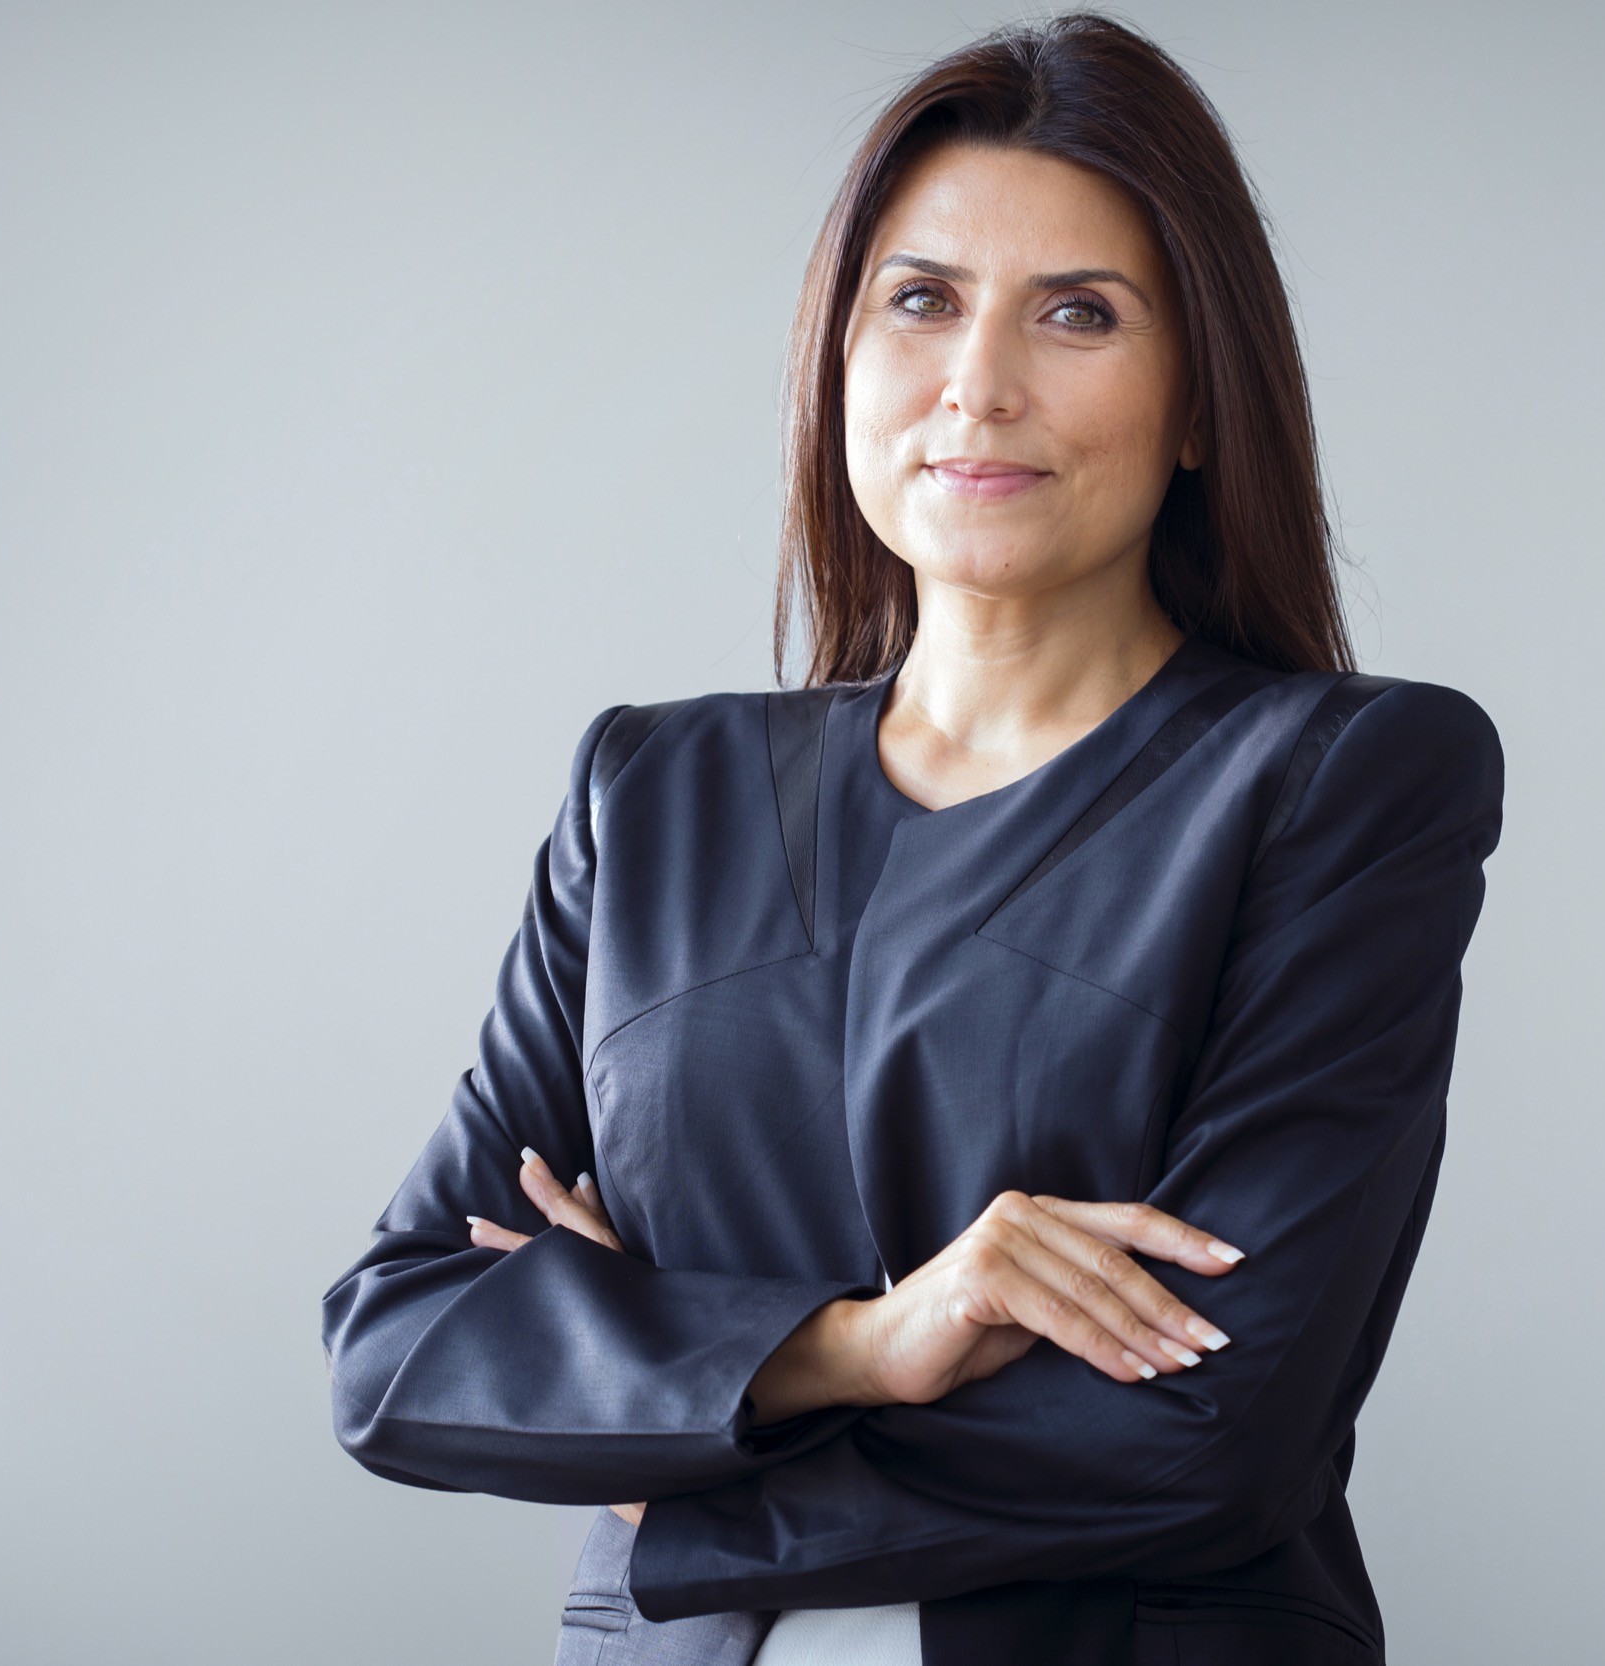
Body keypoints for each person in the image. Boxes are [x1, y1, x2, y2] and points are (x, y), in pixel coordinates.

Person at [319, 13, 1505, 1664]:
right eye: (921, 299)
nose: (979, 383)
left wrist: (668, 1421)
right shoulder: (649, 794)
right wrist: (861, 1345)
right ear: (840, 355)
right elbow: (398, 1346)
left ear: (1196, 404)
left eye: (1077, 313)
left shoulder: (1341, 781)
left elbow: (1213, 1424)